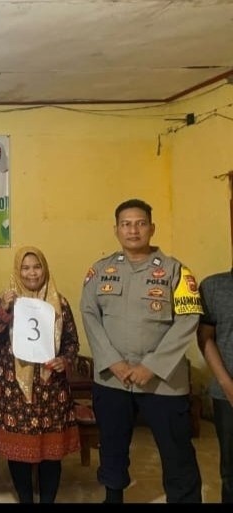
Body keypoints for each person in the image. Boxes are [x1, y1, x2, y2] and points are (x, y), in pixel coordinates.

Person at [80, 198, 202, 503]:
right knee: (112, 449)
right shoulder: (100, 271)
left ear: (152, 228)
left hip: (163, 383)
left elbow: (189, 319)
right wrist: (113, 361)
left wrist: (153, 366)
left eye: (140, 223)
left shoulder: (176, 271)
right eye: (126, 224)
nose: (133, 230)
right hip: (113, 380)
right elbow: (89, 314)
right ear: (116, 230)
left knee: (177, 454)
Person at [0, 245, 80, 503]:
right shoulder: (6, 301)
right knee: (18, 452)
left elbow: (71, 342)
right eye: (25, 268)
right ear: (17, 270)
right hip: (14, 389)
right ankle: (25, 499)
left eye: (37, 267)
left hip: (51, 389)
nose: (32, 273)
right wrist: (4, 310)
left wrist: (65, 360)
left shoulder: (59, 303)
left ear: (45, 269)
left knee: (51, 453)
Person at [197, 267, 233, 502]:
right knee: (230, 473)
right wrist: (227, 384)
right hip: (227, 394)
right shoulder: (213, 286)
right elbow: (205, 337)